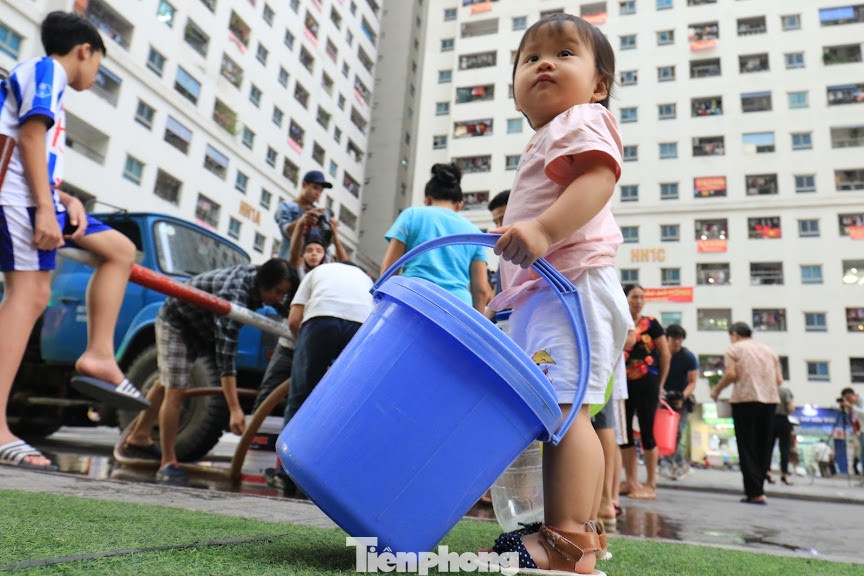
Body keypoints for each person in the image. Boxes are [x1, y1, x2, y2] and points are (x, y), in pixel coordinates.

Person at [483, 13, 632, 574]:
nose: (544, 63)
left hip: (572, 288)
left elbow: (599, 178)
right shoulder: (551, 135)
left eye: (565, 53)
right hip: (552, 292)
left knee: (566, 412)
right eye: (531, 58)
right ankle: (571, 533)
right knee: (563, 411)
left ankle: (567, 542)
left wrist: (543, 231)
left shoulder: (581, 118)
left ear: (599, 85)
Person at [0, 12, 144, 471]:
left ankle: (99, 354)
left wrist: (61, 197)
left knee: (120, 250)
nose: (96, 75)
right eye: (99, 64)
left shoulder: (46, 81)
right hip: (19, 200)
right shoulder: (46, 71)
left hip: (36, 196)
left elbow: (27, 142)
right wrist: (46, 207)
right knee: (29, 295)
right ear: (85, 50)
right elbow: (29, 136)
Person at [124, 259, 298, 482]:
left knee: (165, 382)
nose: (279, 298)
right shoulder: (232, 296)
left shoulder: (259, 280)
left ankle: (139, 436)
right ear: (265, 283)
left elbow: (281, 306)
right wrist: (234, 409)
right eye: (278, 292)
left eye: (284, 293)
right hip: (176, 322)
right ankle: (168, 462)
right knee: (175, 388)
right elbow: (226, 360)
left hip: (197, 327)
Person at [269, 262, 374, 496]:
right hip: (362, 325)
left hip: (320, 319)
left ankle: (286, 475)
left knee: (300, 399)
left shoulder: (316, 272)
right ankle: (338, 478)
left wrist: (306, 352)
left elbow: (294, 320)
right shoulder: (365, 277)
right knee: (351, 405)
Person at [380, 163, 490, 313]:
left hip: (412, 300)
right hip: (456, 308)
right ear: (459, 205)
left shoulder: (411, 216)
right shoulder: (474, 232)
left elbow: (388, 270)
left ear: (427, 200)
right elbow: (481, 291)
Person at [710, 322, 782, 505]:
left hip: (745, 400)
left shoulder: (734, 349)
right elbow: (779, 380)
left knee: (747, 446)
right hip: (770, 401)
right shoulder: (769, 351)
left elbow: (731, 375)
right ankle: (760, 489)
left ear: (734, 334)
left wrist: (717, 390)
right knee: (763, 445)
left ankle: (755, 492)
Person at [620, 284, 670, 500]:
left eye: (641, 297)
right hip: (623, 384)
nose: (638, 301)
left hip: (648, 382)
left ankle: (651, 484)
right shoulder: (621, 322)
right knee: (624, 434)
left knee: (647, 432)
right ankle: (632, 482)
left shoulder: (651, 324)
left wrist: (660, 384)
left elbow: (665, 354)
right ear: (625, 298)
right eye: (634, 297)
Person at [661, 324, 698, 480]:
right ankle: (680, 464)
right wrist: (661, 392)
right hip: (662, 398)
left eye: (680, 339)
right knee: (662, 432)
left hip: (682, 400)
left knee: (677, 431)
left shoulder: (688, 357)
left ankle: (668, 463)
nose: (677, 342)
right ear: (667, 338)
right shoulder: (660, 353)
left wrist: (682, 396)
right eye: (674, 338)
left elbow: (692, 382)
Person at [274, 170, 332, 259]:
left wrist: (330, 227)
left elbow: (325, 243)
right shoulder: (286, 206)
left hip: (311, 263)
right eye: (315, 188)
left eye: (321, 190)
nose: (318, 193)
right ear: (304, 184)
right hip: (289, 260)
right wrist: (303, 220)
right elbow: (287, 231)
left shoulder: (318, 214)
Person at [770, 385, 795, 485]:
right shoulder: (785, 391)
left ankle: (767, 472)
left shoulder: (767, 389)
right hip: (782, 420)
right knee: (784, 448)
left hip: (770, 420)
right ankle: (784, 474)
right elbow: (790, 408)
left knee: (768, 448)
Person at [840, 387, 864, 478]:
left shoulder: (862, 400)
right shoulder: (854, 405)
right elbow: (854, 419)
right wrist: (846, 408)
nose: (849, 401)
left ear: (853, 395)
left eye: (849, 398)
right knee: (862, 455)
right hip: (861, 431)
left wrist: (851, 407)